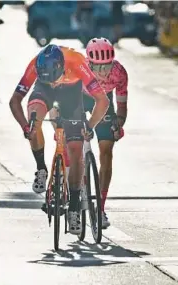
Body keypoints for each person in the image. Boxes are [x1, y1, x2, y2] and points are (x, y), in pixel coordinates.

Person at [9, 44, 109, 234]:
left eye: (55, 79)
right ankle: (41, 168)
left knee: (76, 148)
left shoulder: (76, 61)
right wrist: (25, 127)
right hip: (43, 91)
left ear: (63, 67)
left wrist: (89, 126)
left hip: (71, 94)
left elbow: (102, 100)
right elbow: (15, 100)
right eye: (49, 80)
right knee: (34, 119)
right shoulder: (35, 64)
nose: (54, 83)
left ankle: (73, 208)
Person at [84, 38, 128, 229]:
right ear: (90, 63)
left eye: (107, 66)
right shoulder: (81, 70)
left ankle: (100, 208)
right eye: (99, 67)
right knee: (75, 140)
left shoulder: (119, 73)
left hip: (105, 100)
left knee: (107, 152)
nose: (103, 72)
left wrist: (118, 123)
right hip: (81, 97)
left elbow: (122, 106)